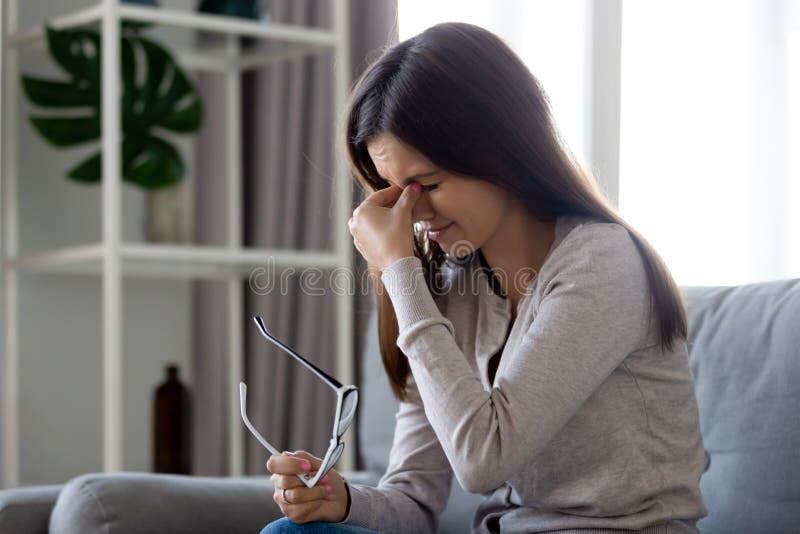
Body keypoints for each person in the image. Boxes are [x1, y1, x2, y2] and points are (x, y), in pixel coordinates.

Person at [260, 21, 708, 534]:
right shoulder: (456, 288)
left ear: (500, 150)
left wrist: (400, 270)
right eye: (392, 190)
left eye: (426, 184)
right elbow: (412, 499)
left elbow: (482, 460)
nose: (412, 213)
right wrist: (340, 502)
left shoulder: (602, 261)